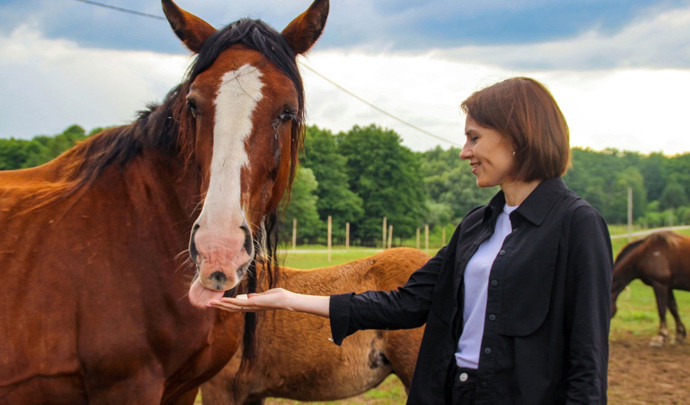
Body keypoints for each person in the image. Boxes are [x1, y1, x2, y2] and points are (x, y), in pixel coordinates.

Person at [210, 77, 612, 404]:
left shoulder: (577, 225)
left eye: (474, 138)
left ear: (516, 137)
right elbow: (406, 302)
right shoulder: (477, 225)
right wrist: (289, 299)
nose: (464, 152)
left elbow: (587, 361)